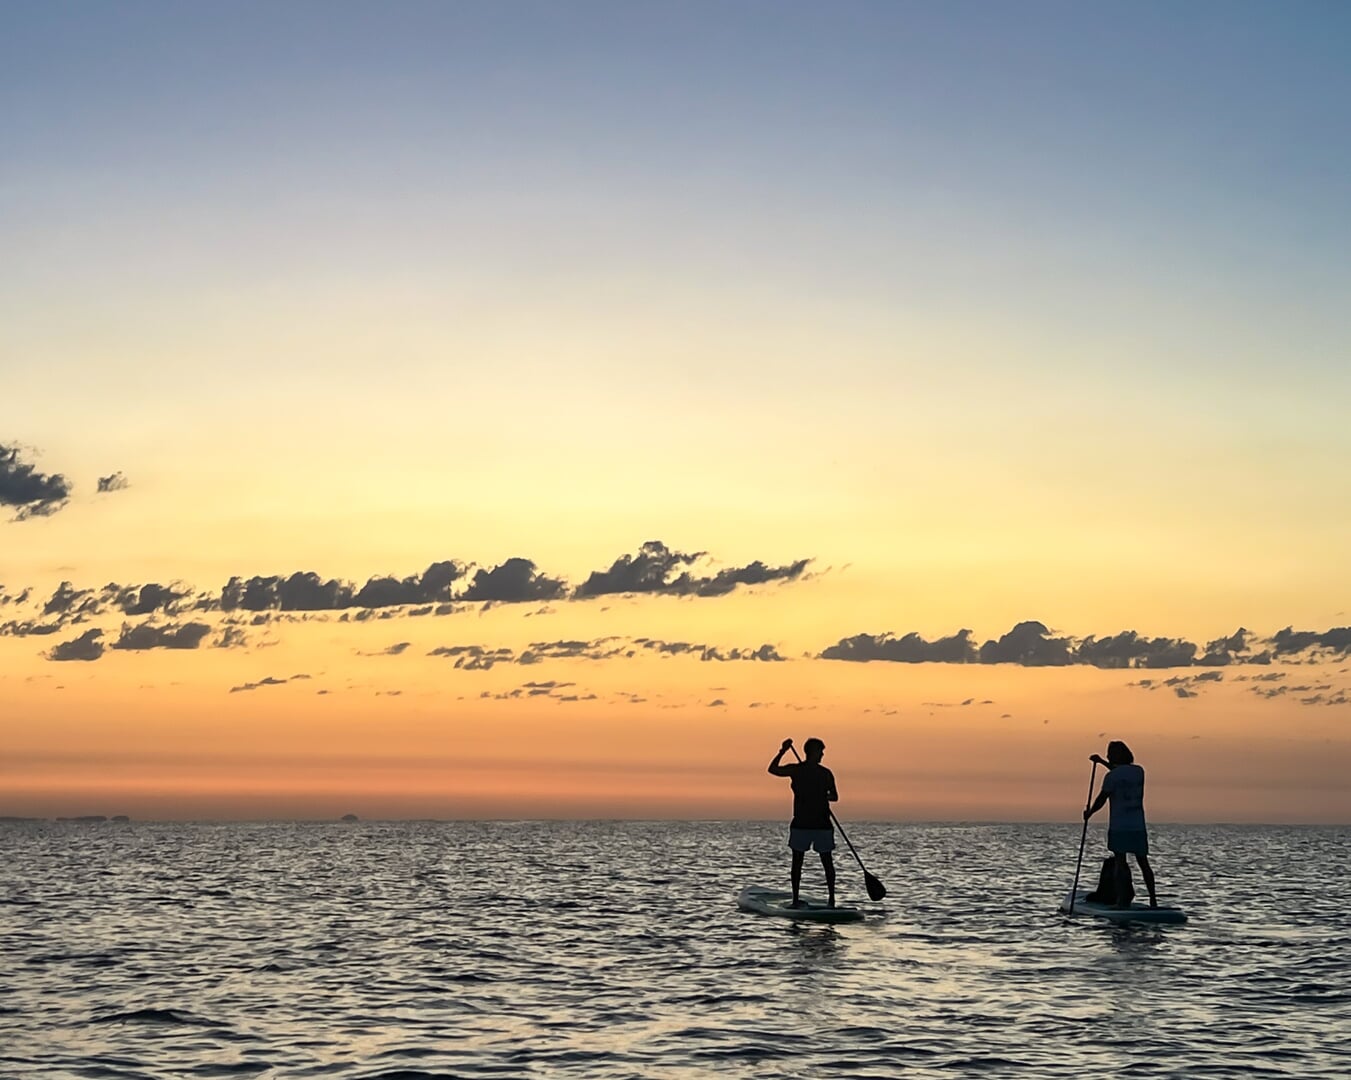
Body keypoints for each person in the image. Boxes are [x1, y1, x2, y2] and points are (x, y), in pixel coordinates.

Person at [1083, 740, 1158, 908]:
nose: (1108, 757)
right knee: (1143, 862)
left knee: (1120, 863)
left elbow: (1102, 798)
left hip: (1119, 826)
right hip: (1138, 826)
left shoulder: (1111, 777)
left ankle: (1121, 901)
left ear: (1115, 756)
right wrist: (1102, 762)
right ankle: (1153, 899)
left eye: (1110, 754)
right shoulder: (1139, 771)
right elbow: (1120, 773)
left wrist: (1090, 813)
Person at [767, 737, 838, 907]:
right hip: (804, 824)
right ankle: (796, 899)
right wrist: (782, 750)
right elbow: (773, 770)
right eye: (820, 752)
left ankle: (831, 900)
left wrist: (820, 797)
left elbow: (834, 796)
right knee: (799, 863)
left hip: (819, 824)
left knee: (826, 862)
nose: (822, 755)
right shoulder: (799, 770)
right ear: (812, 752)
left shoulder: (824, 773)